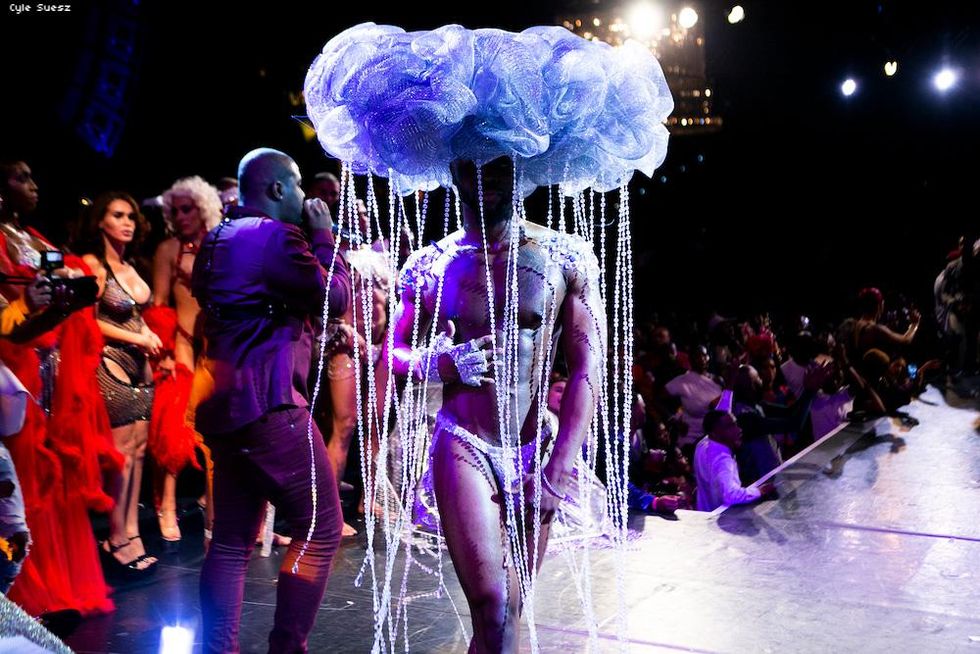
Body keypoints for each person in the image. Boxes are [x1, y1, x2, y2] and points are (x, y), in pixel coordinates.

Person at [391, 156, 605, 652]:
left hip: (537, 452)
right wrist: (440, 364)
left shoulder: (564, 258)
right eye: (471, 167)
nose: (485, 179)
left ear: (521, 169)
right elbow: (393, 353)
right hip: (464, 444)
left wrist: (558, 472)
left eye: (499, 166)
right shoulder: (430, 264)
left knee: (508, 611)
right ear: (452, 170)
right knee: (490, 605)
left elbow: (588, 368)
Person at [191, 148, 350, 653]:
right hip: (271, 407)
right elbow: (334, 297)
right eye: (299, 186)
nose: (306, 198)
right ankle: (287, 648)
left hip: (223, 408)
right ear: (278, 189)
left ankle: (218, 648)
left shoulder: (214, 240)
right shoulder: (278, 237)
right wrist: (325, 238)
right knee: (321, 527)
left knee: (232, 541)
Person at [0, 160, 116, 620]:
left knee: (55, 473)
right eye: (20, 177)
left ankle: (61, 586)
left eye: (33, 175)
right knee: (25, 478)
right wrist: (35, 304)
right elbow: (12, 318)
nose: (33, 184)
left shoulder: (33, 237)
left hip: (50, 365)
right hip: (15, 373)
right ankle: (24, 590)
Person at [79, 192, 161, 575]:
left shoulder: (130, 265)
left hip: (142, 367)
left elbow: (137, 315)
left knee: (139, 451)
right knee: (120, 457)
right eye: (117, 215)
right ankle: (116, 536)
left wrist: (152, 340)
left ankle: (131, 530)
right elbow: (88, 320)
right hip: (111, 365)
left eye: (131, 216)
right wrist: (138, 338)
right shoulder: (94, 266)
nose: (127, 222)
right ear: (100, 222)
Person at [148, 176, 222, 547]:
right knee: (176, 427)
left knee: (219, 433)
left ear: (204, 206)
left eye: (187, 208)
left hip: (217, 346)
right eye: (174, 210)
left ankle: (216, 505)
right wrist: (161, 352)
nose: (179, 216)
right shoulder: (168, 250)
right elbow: (159, 305)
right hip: (181, 346)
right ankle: (167, 506)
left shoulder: (220, 242)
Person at [694, 408, 774, 512]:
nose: (739, 429)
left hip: (706, 512)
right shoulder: (723, 460)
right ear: (714, 433)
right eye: (730, 427)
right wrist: (759, 491)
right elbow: (730, 495)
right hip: (722, 517)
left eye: (735, 424)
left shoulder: (702, 445)